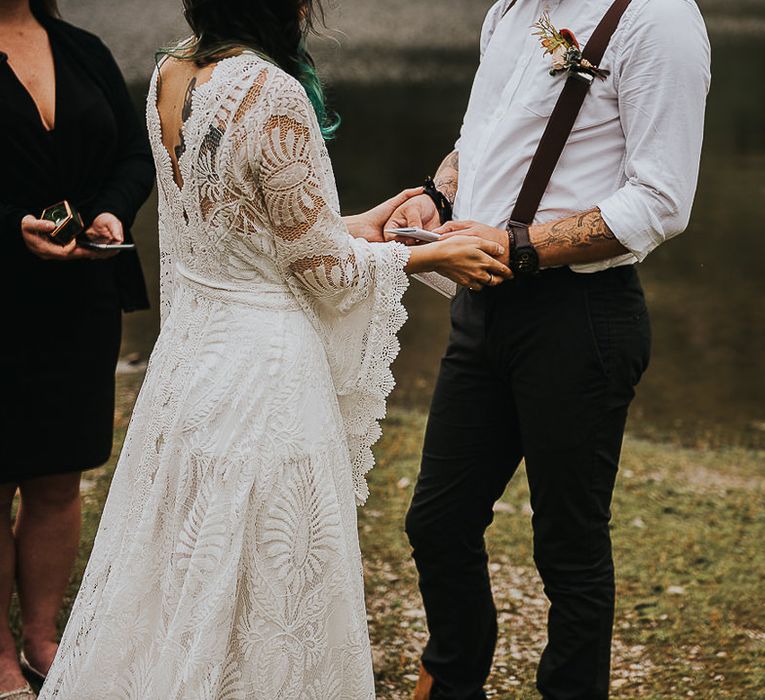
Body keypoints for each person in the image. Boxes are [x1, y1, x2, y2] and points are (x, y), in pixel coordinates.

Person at [37, 0, 512, 697]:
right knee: (269, 584)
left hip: (191, 370)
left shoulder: (170, 72)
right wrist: (431, 259)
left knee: (183, 575)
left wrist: (364, 225)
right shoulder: (272, 91)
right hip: (266, 382)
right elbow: (324, 271)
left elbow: (239, 234)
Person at [386, 0, 711, 698]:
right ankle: (450, 680)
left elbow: (660, 201)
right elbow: (484, 138)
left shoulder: (659, 19)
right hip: (483, 303)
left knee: (568, 548)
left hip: (581, 315)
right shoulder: (509, 9)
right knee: (438, 522)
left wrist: (519, 244)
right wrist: (436, 198)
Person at [0, 0, 154, 696]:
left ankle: (40, 634)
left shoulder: (81, 46)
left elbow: (133, 150)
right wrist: (12, 228)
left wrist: (114, 209)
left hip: (81, 296)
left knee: (60, 475)